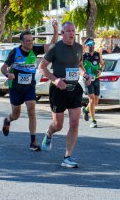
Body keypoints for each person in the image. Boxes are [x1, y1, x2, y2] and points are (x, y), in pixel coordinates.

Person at [38, 21, 92, 168]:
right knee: (58, 125)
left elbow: (79, 66)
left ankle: (67, 157)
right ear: (62, 33)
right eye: (68, 31)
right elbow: (42, 67)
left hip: (74, 88)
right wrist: (55, 80)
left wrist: (86, 75)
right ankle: (49, 134)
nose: (71, 33)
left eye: (73, 30)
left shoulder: (79, 48)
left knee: (74, 123)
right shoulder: (55, 48)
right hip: (58, 89)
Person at [1, 20, 59, 151]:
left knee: (31, 109)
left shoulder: (35, 48)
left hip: (29, 86)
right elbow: (3, 68)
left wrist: (56, 30)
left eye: (31, 40)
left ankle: (33, 141)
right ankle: (8, 120)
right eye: (27, 41)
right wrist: (8, 75)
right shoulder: (15, 52)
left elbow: (52, 45)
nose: (30, 43)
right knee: (16, 115)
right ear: (22, 42)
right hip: (15, 87)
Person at [82, 38, 104, 128]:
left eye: (93, 44)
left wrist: (100, 70)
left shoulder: (97, 54)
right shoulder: (83, 56)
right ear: (86, 45)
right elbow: (79, 66)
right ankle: (93, 121)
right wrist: (85, 75)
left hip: (96, 79)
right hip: (87, 80)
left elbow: (102, 64)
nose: (92, 46)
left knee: (96, 102)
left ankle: (86, 110)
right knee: (91, 99)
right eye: (90, 44)